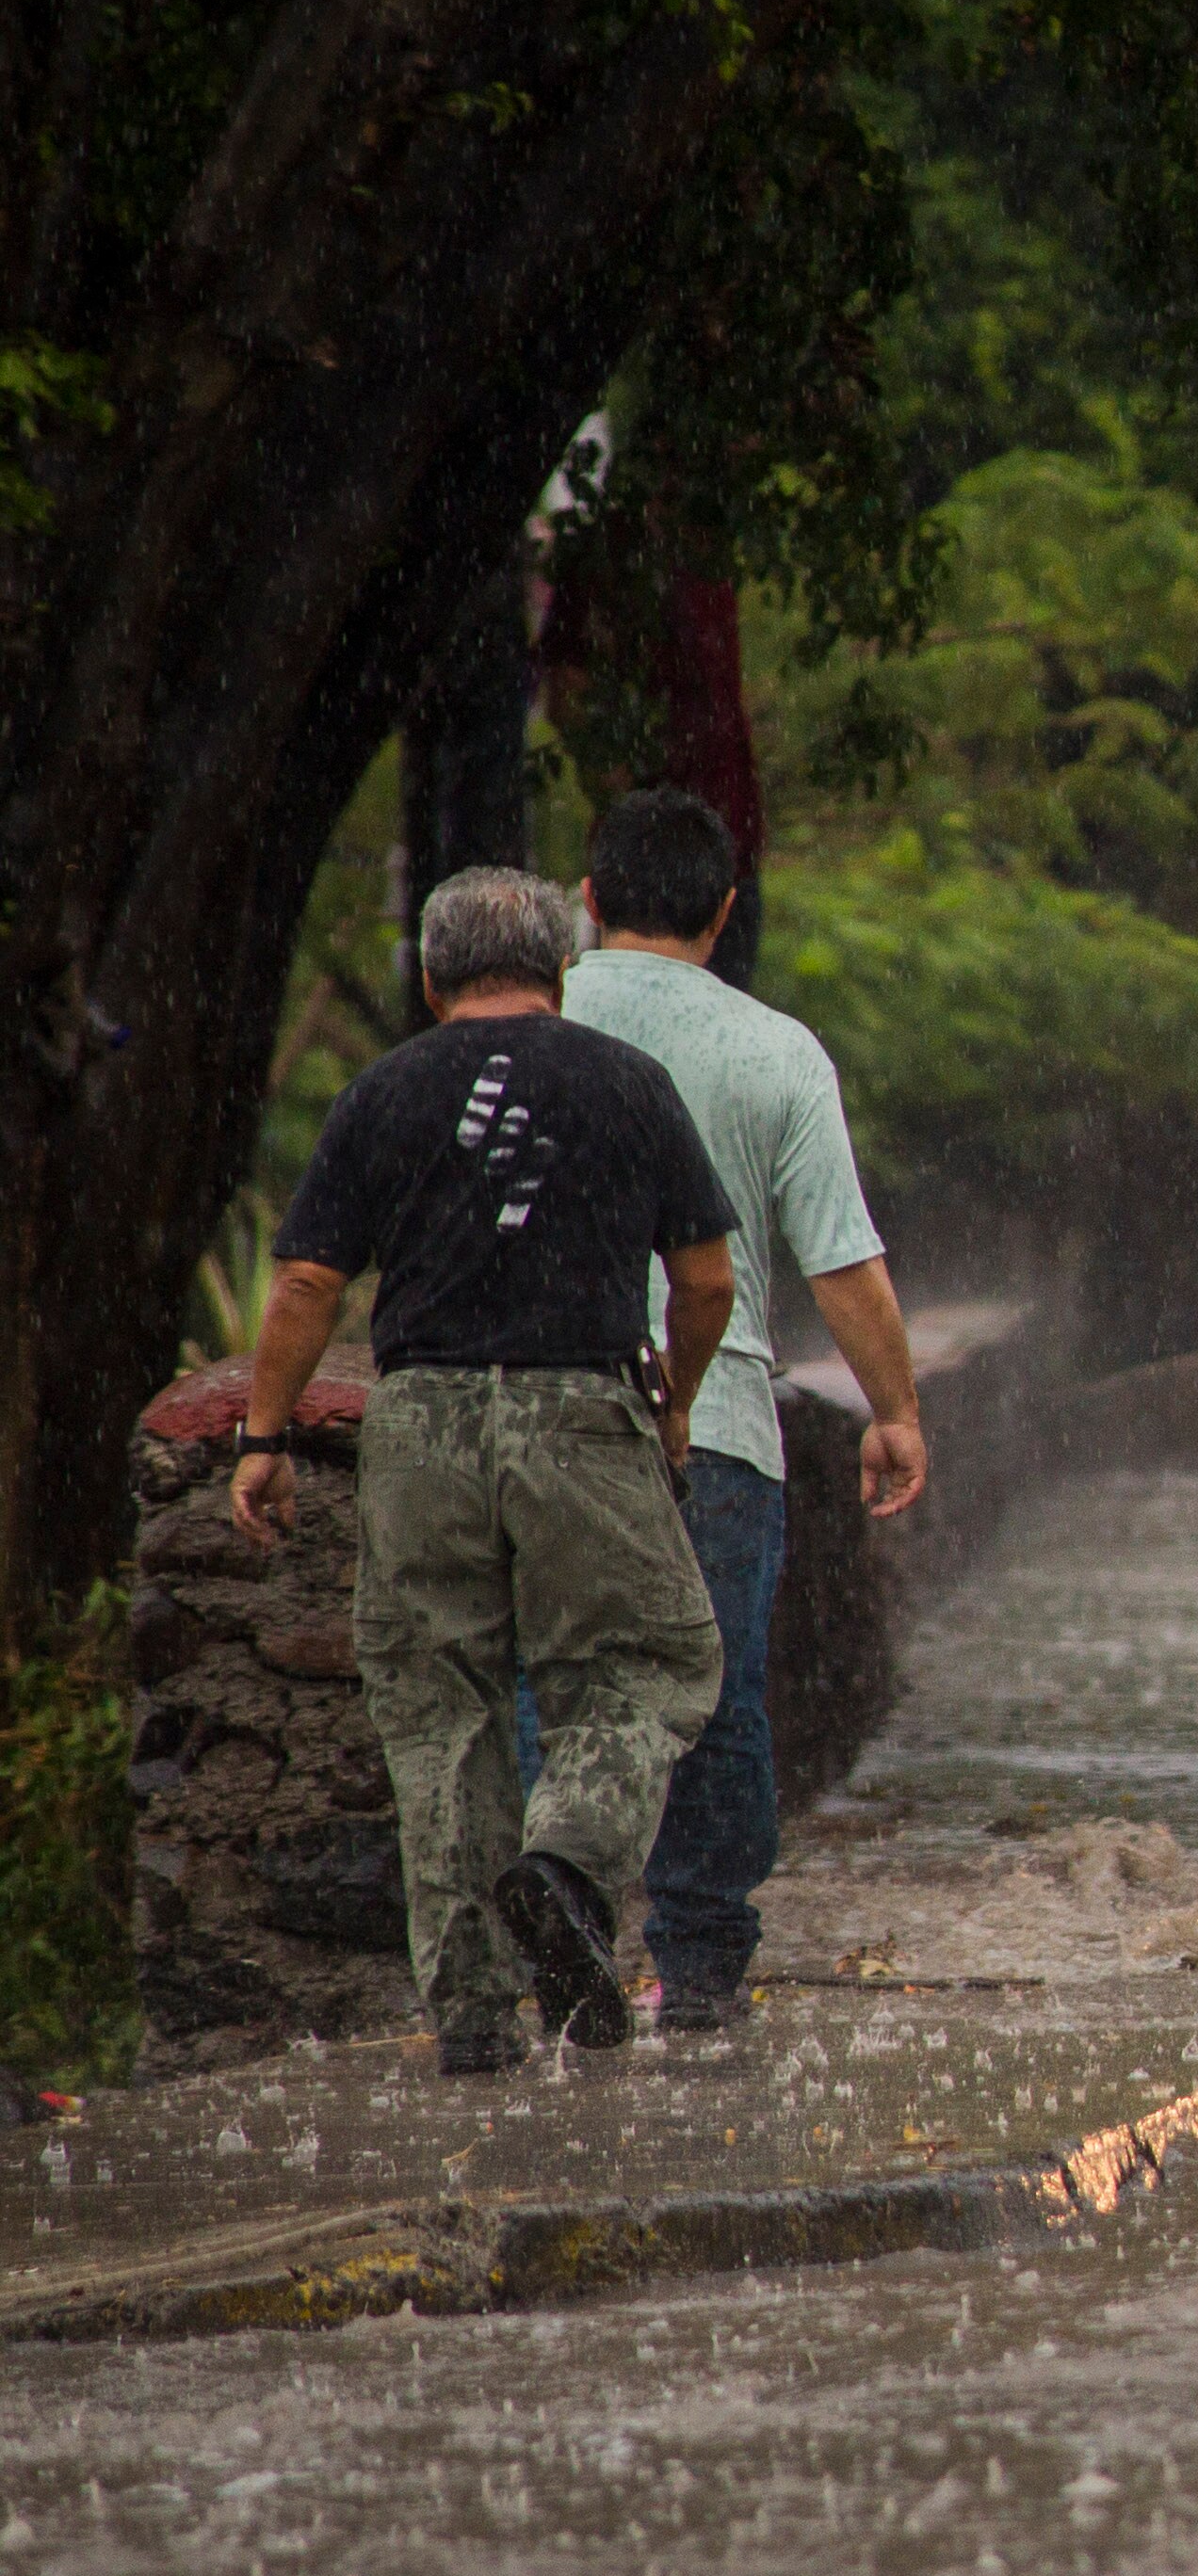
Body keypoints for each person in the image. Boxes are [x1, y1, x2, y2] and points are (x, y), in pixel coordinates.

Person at [233, 868, 735, 2073]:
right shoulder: (628, 1083)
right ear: (563, 971)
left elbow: (308, 1281)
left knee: (439, 1713)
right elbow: (707, 1278)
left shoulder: (382, 1092)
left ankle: (467, 2021)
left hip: (422, 1427)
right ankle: (564, 1865)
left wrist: (262, 1436)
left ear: (429, 975)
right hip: (581, 1409)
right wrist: (676, 1403)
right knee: (647, 1664)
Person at [563, 788, 929, 2035]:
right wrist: (895, 1413)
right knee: (715, 1695)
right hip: (714, 1426)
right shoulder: (776, 1052)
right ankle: (702, 1972)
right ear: (724, 912)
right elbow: (844, 1265)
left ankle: (552, 1926)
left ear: (590, 899)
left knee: (546, 1678)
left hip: (545, 1417)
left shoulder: (524, 1025)